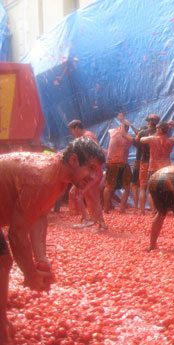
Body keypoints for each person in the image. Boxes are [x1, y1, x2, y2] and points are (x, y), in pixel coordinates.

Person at [0, 137, 105, 344]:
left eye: (97, 171)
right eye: (90, 168)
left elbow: (39, 215)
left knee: (4, 263)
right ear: (74, 160)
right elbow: (17, 235)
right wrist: (30, 274)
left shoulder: (58, 178)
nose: (93, 176)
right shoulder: (44, 177)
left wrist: (41, 258)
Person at [67, 120, 107, 230]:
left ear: (76, 128)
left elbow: (94, 154)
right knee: (87, 196)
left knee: (82, 194)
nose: (71, 134)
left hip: (92, 172)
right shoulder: (84, 138)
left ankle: (92, 221)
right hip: (91, 171)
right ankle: (93, 221)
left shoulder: (87, 137)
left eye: (71, 131)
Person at [103, 113, 134, 213]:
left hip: (113, 163)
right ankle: (120, 209)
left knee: (109, 187)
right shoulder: (129, 137)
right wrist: (124, 122)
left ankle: (106, 209)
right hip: (121, 163)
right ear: (128, 128)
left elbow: (111, 130)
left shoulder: (113, 132)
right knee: (125, 187)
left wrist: (121, 121)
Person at [140, 120, 174, 184]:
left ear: (160, 130)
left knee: (151, 192)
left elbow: (141, 139)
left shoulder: (152, 139)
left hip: (153, 169)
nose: (156, 130)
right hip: (166, 169)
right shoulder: (170, 141)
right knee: (165, 191)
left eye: (157, 128)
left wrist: (156, 134)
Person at [136, 114, 160, 215]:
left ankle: (142, 210)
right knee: (154, 188)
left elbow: (136, 141)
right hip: (155, 162)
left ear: (148, 122)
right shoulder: (159, 133)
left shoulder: (142, 132)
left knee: (142, 187)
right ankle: (154, 211)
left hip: (144, 161)